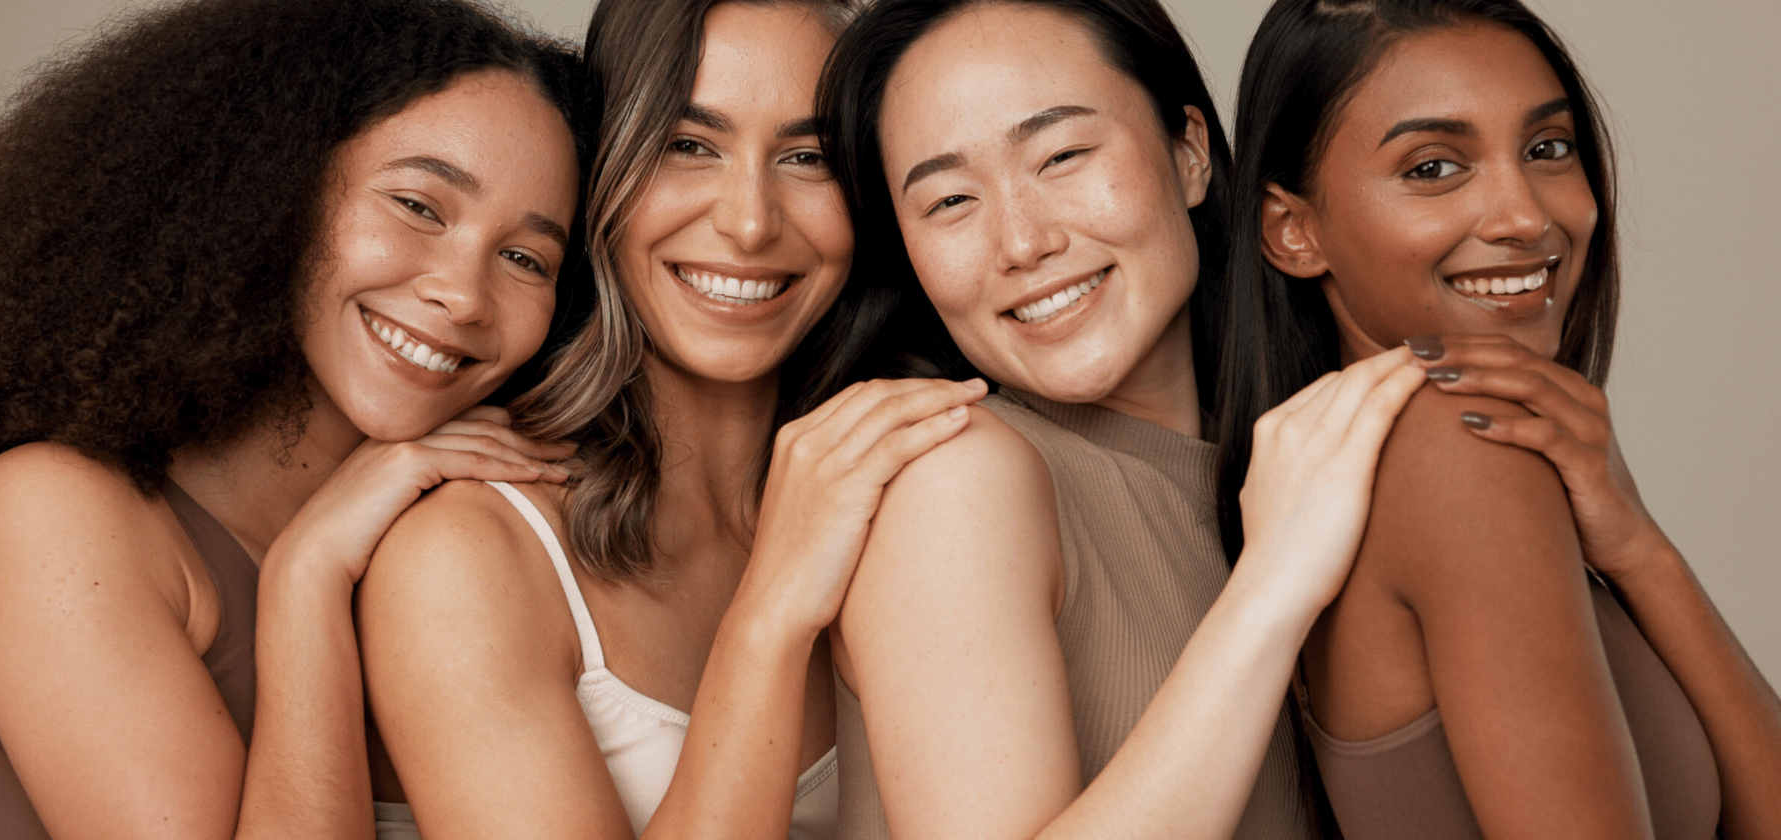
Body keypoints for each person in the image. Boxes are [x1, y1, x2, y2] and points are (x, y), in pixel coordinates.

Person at [0, 0, 591, 837]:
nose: (463, 295)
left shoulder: (458, 544)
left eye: (526, 258)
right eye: (419, 207)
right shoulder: (47, 516)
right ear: (273, 187)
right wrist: (306, 577)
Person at [356, 1, 984, 838]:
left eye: (807, 156)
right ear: (601, 169)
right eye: (690, 146)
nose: (750, 221)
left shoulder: (920, 488)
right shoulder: (464, 556)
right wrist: (771, 612)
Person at [812, 1, 1429, 838]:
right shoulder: (953, 480)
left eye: (1061, 155)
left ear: (1189, 154)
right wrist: (1271, 591)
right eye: (951, 201)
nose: (1021, 242)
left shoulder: (1289, 465)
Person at [1219, 0, 1781, 837]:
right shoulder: (1460, 448)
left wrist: (1638, 548)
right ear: (1294, 231)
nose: (1526, 218)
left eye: (1547, 149)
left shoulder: (1387, 464)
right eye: (1433, 168)